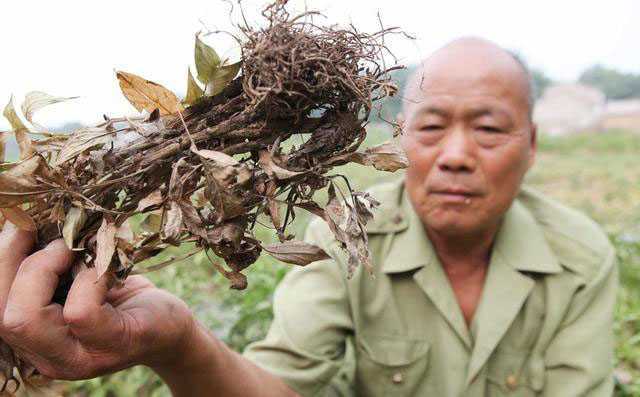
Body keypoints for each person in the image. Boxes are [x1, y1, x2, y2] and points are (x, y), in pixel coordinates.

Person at [0, 37, 617, 397]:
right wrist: (178, 342)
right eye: (431, 127)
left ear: (531, 144)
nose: (456, 156)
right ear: (401, 137)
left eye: (488, 130)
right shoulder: (346, 242)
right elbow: (279, 387)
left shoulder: (580, 256)